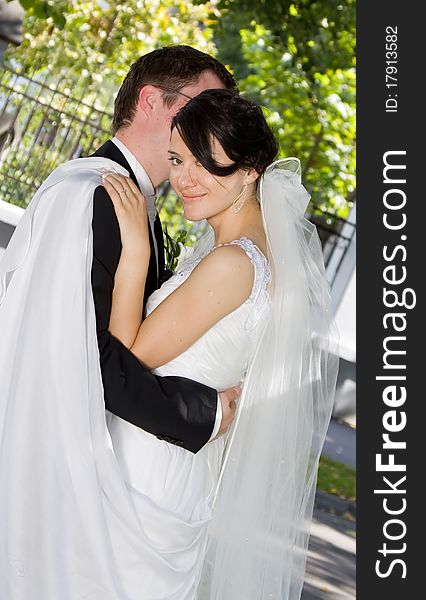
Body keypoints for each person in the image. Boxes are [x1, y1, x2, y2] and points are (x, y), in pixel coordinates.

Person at [0, 87, 338, 598]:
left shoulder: (232, 263)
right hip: (172, 463)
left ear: (249, 170)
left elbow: (127, 356)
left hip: (148, 470)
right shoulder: (246, 255)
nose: (183, 178)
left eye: (205, 162)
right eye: (178, 158)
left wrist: (135, 252)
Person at [90, 46, 240, 455]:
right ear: (151, 101)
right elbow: (81, 345)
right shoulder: (95, 194)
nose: (208, 125)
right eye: (200, 107)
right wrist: (198, 414)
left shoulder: (139, 206)